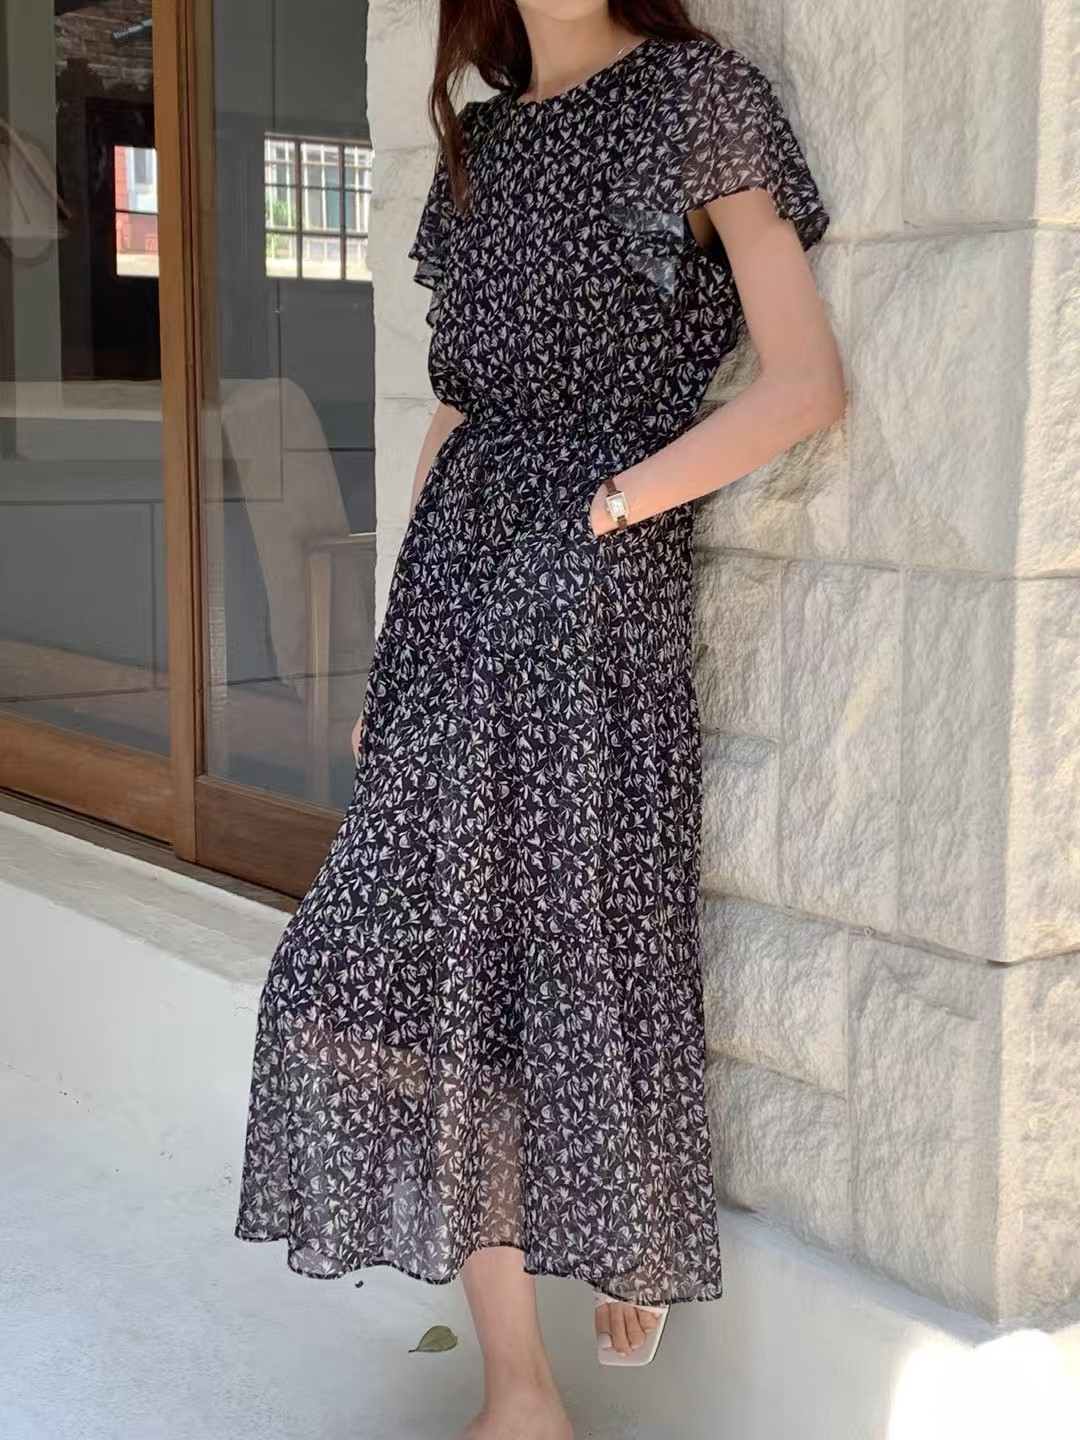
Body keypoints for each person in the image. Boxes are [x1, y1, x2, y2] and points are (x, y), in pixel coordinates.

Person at [234, 3, 844, 1436]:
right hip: (458, 581)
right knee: (398, 958)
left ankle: (583, 1293)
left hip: (584, 586)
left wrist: (610, 510)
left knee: (563, 929)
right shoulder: (484, 142)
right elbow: (457, 412)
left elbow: (806, 382)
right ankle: (521, 1380)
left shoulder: (694, 96)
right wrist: (397, 642)